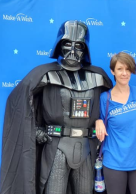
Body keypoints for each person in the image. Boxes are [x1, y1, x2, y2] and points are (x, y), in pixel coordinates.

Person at [0, 20, 112, 194]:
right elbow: (19, 103)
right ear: (59, 45)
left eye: (79, 46)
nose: (73, 51)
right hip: (56, 146)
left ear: (85, 49)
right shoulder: (45, 74)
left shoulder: (98, 77)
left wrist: (99, 119)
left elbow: (111, 106)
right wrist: (34, 129)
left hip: (86, 148)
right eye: (68, 44)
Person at [95, 52, 136, 194]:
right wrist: (97, 120)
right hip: (114, 162)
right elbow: (96, 123)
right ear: (112, 71)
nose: (124, 73)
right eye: (120, 69)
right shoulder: (105, 98)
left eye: (128, 69)